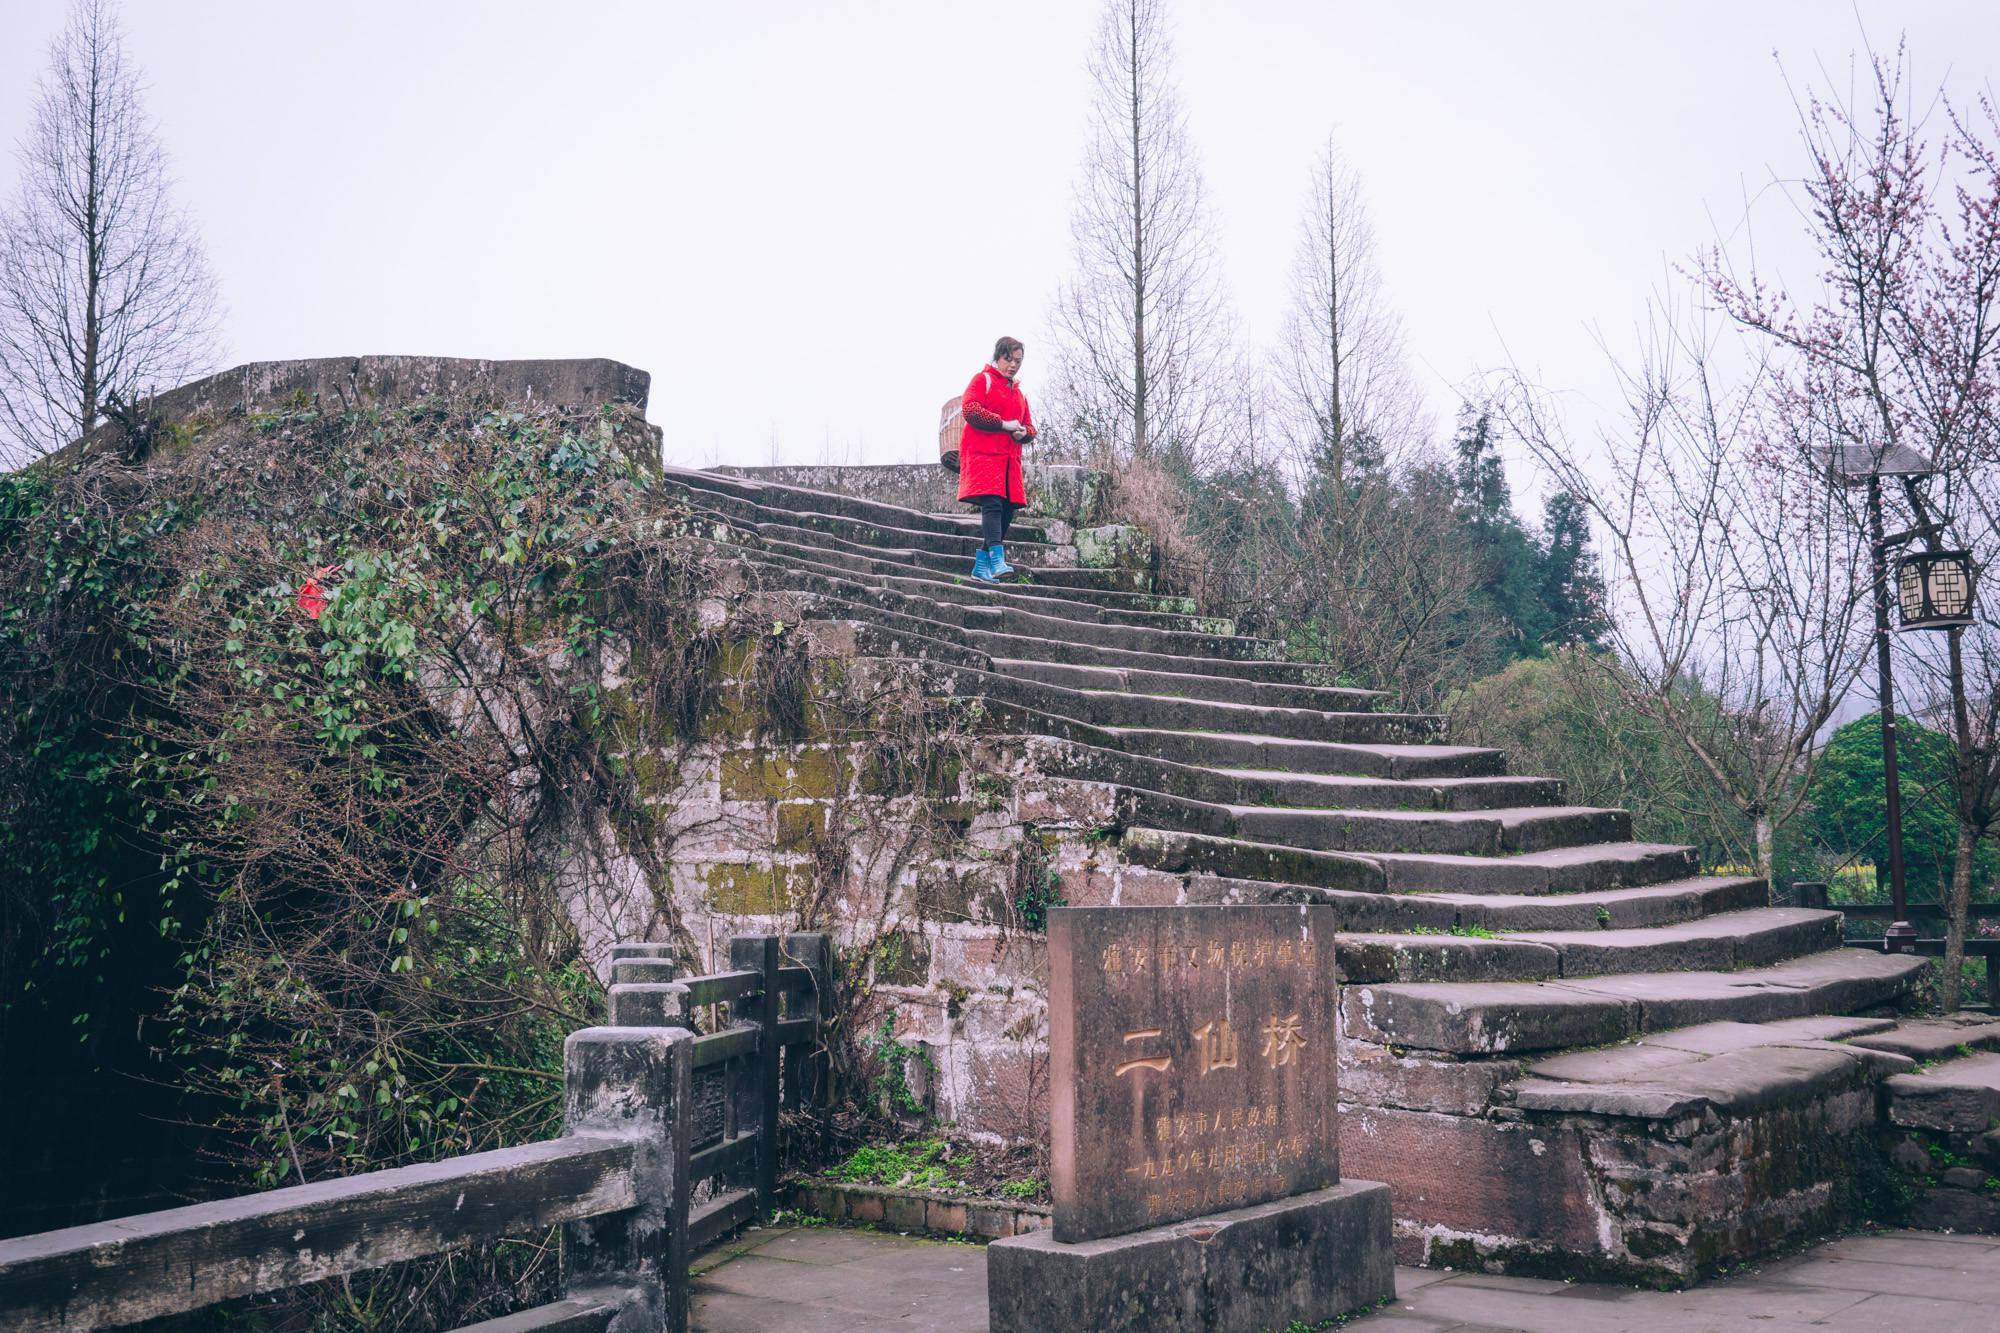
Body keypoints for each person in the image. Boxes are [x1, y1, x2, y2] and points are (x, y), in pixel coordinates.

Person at [957, 336, 1035, 581]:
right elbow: (970, 409)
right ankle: (997, 559)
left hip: (1009, 460)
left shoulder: (1020, 394)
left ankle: (981, 565)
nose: (1012, 365)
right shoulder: (983, 380)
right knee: (992, 503)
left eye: (1018, 361)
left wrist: (1024, 433)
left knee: (1008, 509)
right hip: (983, 454)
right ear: (998, 357)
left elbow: (1030, 427)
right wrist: (1002, 424)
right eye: (1008, 359)